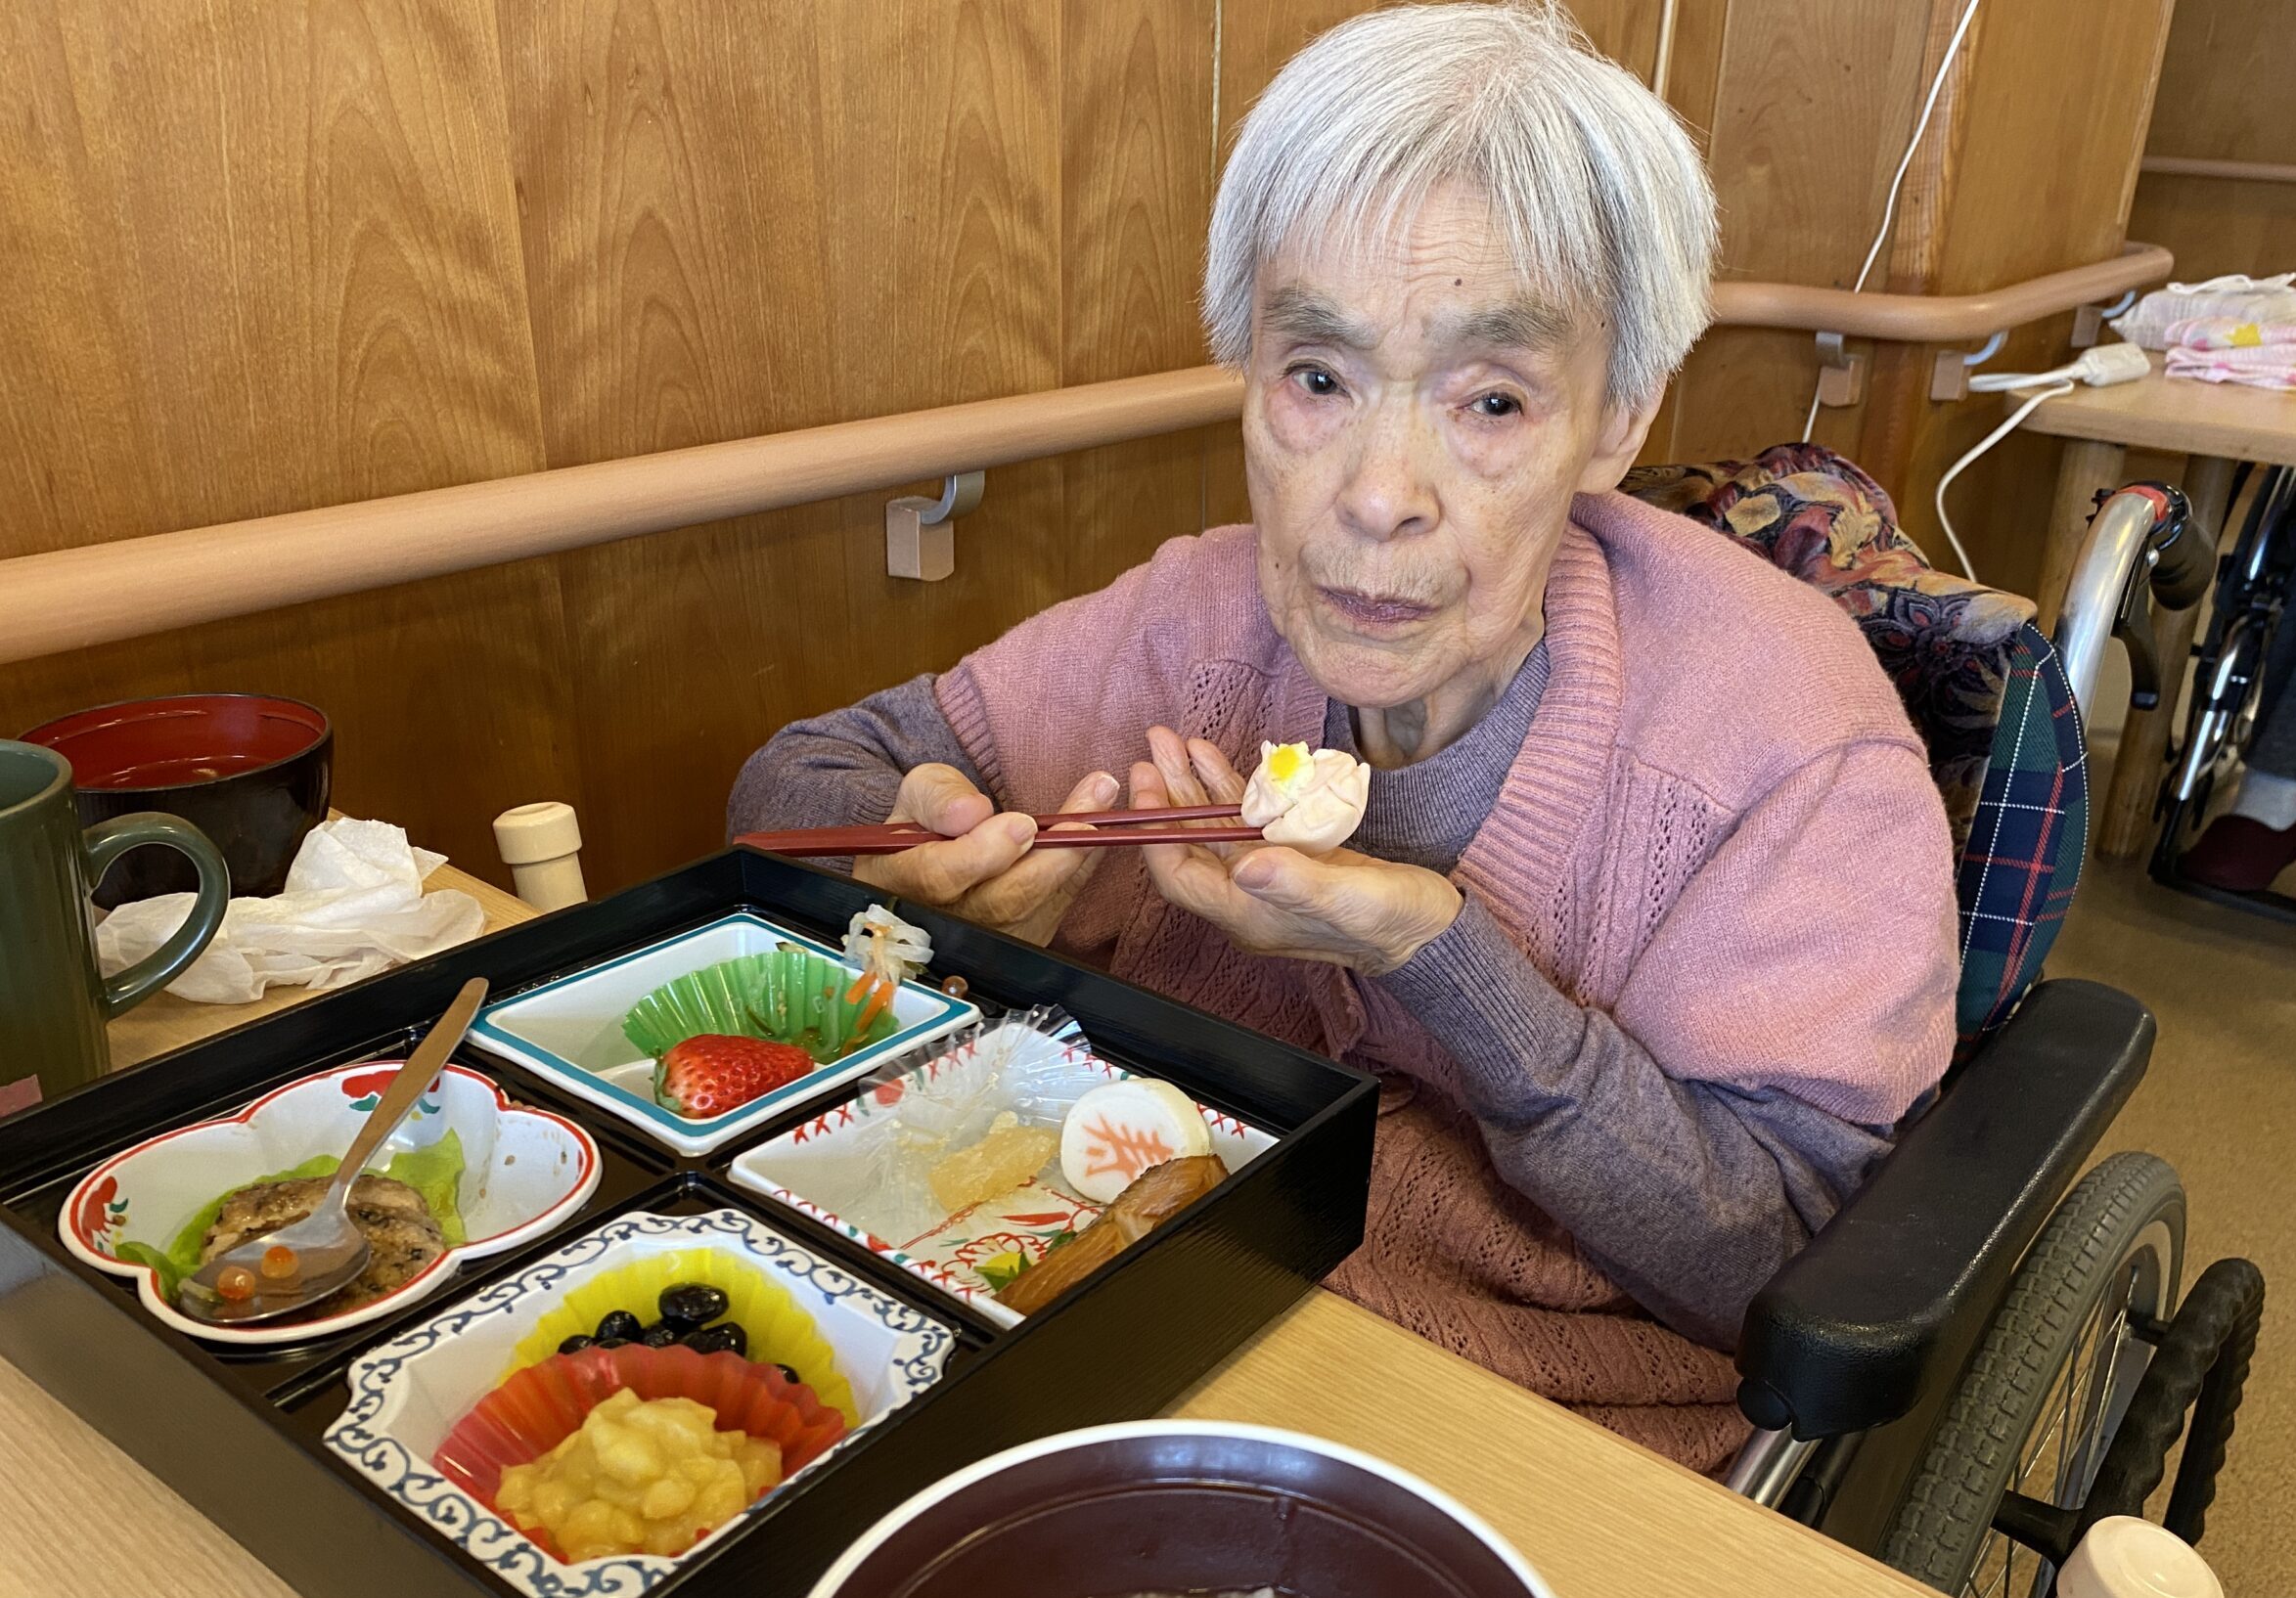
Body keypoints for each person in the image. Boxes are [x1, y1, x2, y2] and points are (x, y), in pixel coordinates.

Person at [730, 1, 1958, 1472]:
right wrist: (916, 873)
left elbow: (1775, 1271)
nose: (1378, 496)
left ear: (1616, 418)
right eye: (1319, 377)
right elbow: (799, 777)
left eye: (1491, 399)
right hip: (1117, 1296)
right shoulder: (1198, 623)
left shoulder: (1788, 742)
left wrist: (1443, 956)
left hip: (1526, 1424)